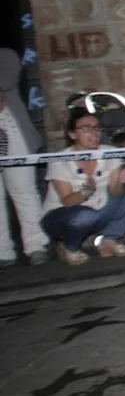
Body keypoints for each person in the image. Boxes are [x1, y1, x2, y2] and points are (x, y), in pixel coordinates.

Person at [39, 108, 125, 266]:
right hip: (61, 216)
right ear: (72, 134)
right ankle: (69, 248)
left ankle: (109, 239)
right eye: (86, 129)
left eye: (97, 128)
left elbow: (115, 194)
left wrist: (121, 181)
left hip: (98, 210)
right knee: (86, 216)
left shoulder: (109, 152)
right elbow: (67, 201)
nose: (94, 133)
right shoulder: (60, 160)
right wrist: (86, 192)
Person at [0, 49, 49, 267]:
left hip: (12, 131)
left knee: (23, 190)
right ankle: (3, 252)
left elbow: (6, 79)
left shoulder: (5, 55)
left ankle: (36, 245)